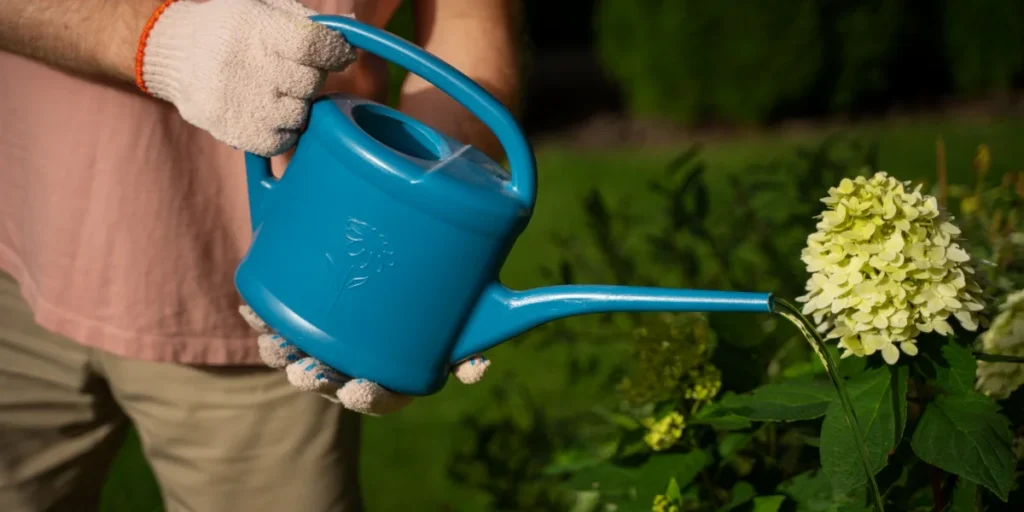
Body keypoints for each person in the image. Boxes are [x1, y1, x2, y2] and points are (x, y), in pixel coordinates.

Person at [0, 0, 522, 510]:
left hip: (274, 325)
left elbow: (465, 18)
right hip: (19, 265)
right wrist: (162, 42)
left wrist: (434, 249)